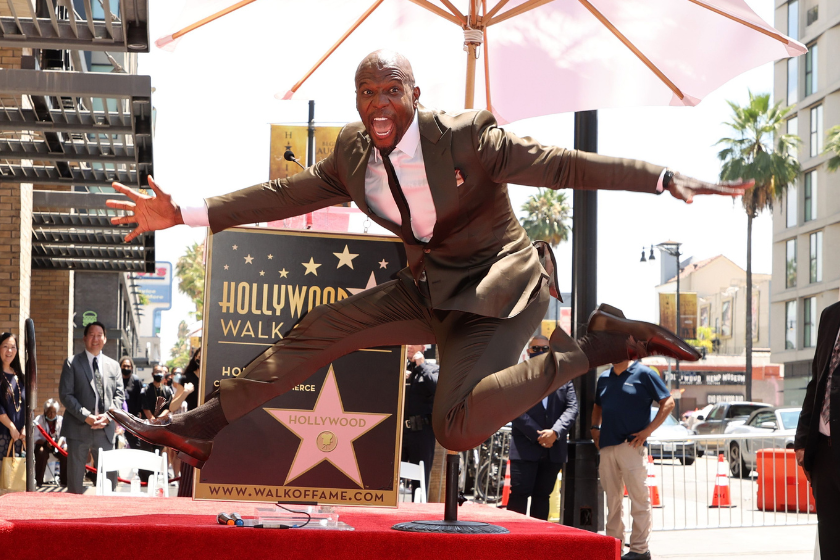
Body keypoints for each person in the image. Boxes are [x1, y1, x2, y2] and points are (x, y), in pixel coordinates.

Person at [106, 49, 743, 469]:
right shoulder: (353, 153)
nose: (377, 104)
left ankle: (596, 346)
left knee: (456, 426)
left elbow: (562, 165)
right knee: (321, 328)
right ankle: (204, 424)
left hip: (502, 290)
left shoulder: (468, 136)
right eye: (365, 92)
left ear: (414, 92)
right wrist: (184, 212)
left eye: (390, 91)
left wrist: (659, 176)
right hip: (433, 288)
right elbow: (283, 194)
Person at [591, 358, 674, 560]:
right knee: (613, 501)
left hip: (632, 446)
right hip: (608, 447)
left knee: (639, 500)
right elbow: (597, 406)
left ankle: (639, 550)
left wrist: (648, 431)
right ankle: (614, 547)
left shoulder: (644, 374)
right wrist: (594, 429)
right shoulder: (603, 378)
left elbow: (668, 402)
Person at [508, 335, 578, 520]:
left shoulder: (563, 377)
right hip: (525, 448)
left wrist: (555, 432)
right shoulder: (518, 376)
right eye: (535, 349)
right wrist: (539, 435)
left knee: (542, 497)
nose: (539, 352)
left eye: (544, 349)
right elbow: (513, 408)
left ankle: (537, 544)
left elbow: (572, 408)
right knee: (519, 496)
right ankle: (513, 543)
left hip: (553, 450)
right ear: (529, 351)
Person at [795, 301, 840, 558]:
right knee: (831, 545)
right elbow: (817, 380)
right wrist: (802, 440)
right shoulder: (830, 315)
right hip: (823, 452)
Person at [59, 321, 124, 494]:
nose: (95, 339)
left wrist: (108, 416)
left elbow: (119, 396)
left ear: (105, 338)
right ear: (85, 338)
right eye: (92, 335)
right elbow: (66, 395)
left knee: (109, 483)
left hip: (105, 430)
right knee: (74, 482)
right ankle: (73, 519)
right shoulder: (72, 363)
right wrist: (86, 416)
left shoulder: (114, 366)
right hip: (78, 428)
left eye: (99, 335)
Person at [402, 344, 438, 497]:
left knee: (421, 481)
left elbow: (437, 387)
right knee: (390, 478)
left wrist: (421, 366)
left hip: (421, 432)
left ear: (423, 347)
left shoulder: (432, 368)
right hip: (398, 431)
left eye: (413, 342)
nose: (409, 346)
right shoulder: (398, 367)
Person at [177, 348, 201, 498]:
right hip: (191, 428)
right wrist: (185, 393)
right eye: (198, 357)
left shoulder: (217, 377)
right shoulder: (186, 378)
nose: (201, 359)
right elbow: (172, 406)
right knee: (187, 468)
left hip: (213, 427)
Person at [0, 332, 25, 460]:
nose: (9, 350)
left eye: (13, 346)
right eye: (5, 346)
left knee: (15, 478)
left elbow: (26, 404)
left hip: (20, 436)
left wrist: (25, 426)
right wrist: (11, 427)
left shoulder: (19, 375)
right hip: (3, 434)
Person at [33, 398, 67, 487]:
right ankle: (38, 481)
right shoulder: (39, 419)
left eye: (54, 412)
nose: (51, 415)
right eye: (49, 412)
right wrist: (45, 443)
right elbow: (35, 436)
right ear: (45, 411)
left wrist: (59, 444)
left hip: (57, 445)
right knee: (41, 452)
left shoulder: (60, 420)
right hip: (43, 445)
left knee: (66, 453)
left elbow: (64, 436)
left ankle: (64, 481)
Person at [120, 356, 143, 449]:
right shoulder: (116, 380)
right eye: (124, 366)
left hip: (133, 419)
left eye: (128, 366)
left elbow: (141, 399)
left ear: (132, 368)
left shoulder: (136, 381)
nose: (126, 368)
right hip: (119, 419)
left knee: (135, 445)